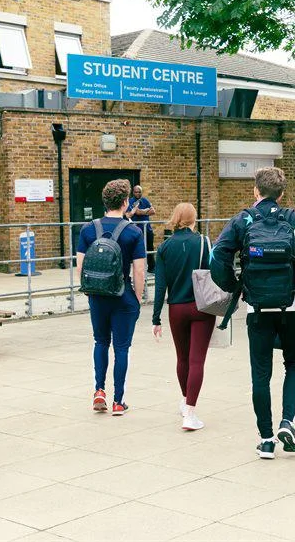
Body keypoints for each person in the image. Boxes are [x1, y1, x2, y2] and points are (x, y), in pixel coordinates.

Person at [211, 167, 295, 460]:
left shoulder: (243, 220)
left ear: (256, 191)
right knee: (294, 365)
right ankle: (287, 422)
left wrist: (236, 286)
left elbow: (218, 255)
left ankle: (265, 440)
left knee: (260, 375)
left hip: (258, 306)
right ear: (282, 193)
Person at [77, 179, 146, 416]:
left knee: (100, 342)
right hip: (122, 294)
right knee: (122, 348)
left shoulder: (87, 230)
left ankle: (99, 390)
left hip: (97, 295)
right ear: (126, 202)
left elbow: (80, 267)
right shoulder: (133, 232)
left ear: (104, 202)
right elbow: (139, 270)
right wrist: (137, 297)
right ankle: (118, 401)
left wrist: (90, 290)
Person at [151, 203, 216, 431]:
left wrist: (156, 317)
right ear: (193, 219)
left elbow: (160, 285)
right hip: (201, 307)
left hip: (176, 308)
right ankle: (190, 412)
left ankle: (185, 400)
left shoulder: (165, 247)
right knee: (197, 360)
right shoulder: (204, 243)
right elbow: (214, 274)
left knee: (182, 358)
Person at [126, 185, 156, 273]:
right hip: (136, 230)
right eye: (136, 192)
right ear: (133, 192)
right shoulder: (131, 201)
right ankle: (137, 270)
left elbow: (153, 211)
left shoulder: (145, 200)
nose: (138, 193)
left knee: (150, 248)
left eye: (139, 192)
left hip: (147, 229)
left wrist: (142, 211)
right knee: (137, 249)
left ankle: (151, 267)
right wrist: (147, 210)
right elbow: (137, 212)